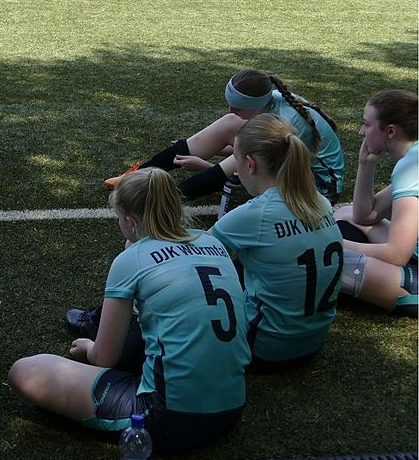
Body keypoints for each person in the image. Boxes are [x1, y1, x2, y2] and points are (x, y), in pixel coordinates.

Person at [11, 168, 250, 452]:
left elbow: (104, 357)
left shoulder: (131, 259)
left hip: (169, 418)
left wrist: (89, 346)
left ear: (129, 221)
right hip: (232, 405)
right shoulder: (213, 243)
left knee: (25, 370)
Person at [210, 114, 342, 372]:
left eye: (236, 161)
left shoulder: (255, 214)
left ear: (249, 164)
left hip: (264, 349)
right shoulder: (319, 201)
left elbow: (191, 258)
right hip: (312, 344)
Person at [103, 69, 344, 205]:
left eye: (237, 108)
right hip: (286, 162)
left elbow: (240, 166)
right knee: (229, 124)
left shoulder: (282, 124)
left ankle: (163, 202)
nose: (231, 111)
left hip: (319, 187)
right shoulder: (270, 102)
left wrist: (209, 168)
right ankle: (138, 174)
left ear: (256, 107)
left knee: (230, 176)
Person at [334, 90, 418, 318]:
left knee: (328, 260)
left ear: (390, 131)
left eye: (366, 124)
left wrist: (333, 243)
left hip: (409, 266)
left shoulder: (410, 168)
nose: (361, 132)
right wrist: (365, 164)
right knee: (345, 213)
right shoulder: (414, 158)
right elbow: (366, 215)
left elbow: (396, 254)